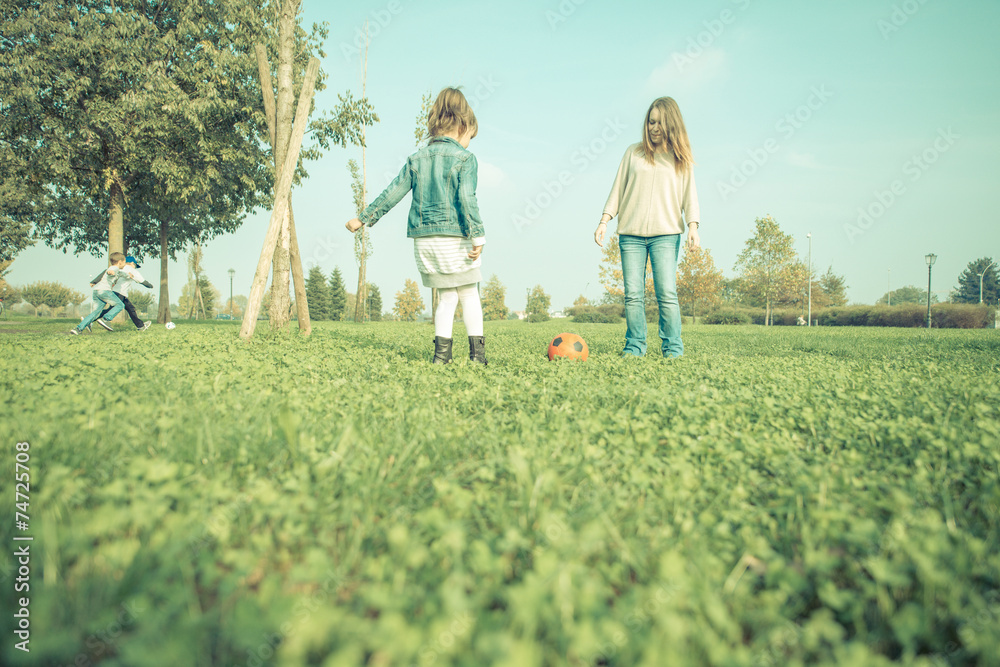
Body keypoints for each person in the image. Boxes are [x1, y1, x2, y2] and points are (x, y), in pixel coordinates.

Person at [346, 87, 488, 365]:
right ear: (463, 124)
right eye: (471, 135)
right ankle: (477, 358)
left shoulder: (416, 159)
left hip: (424, 241)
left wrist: (363, 218)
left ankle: (441, 358)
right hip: (454, 236)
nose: (469, 142)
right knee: (469, 293)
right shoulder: (465, 159)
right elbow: (466, 198)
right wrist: (478, 234)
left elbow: (393, 191)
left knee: (446, 297)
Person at [595, 96, 701, 358]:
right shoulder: (633, 152)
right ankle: (634, 347)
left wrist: (693, 226)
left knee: (666, 293)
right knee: (633, 295)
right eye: (650, 122)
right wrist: (604, 220)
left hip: (666, 235)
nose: (654, 127)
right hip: (630, 235)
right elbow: (618, 189)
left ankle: (673, 349)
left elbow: (690, 195)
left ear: (671, 124)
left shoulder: (680, 158)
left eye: (660, 123)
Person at [70, 253, 127, 335]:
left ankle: (78, 329)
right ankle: (106, 319)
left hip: (97, 291)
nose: (125, 264)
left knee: (96, 313)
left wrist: (129, 276)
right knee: (120, 305)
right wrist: (111, 272)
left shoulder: (117, 270)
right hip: (104, 291)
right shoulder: (114, 268)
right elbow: (110, 272)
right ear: (120, 262)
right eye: (124, 262)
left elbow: (121, 274)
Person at [95, 255, 153, 331]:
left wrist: (94, 281)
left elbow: (105, 273)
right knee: (112, 309)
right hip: (120, 293)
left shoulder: (118, 268)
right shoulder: (132, 270)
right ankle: (97, 319)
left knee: (130, 308)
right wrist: (150, 286)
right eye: (135, 265)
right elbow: (143, 281)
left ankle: (140, 326)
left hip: (115, 291)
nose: (135, 267)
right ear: (132, 263)